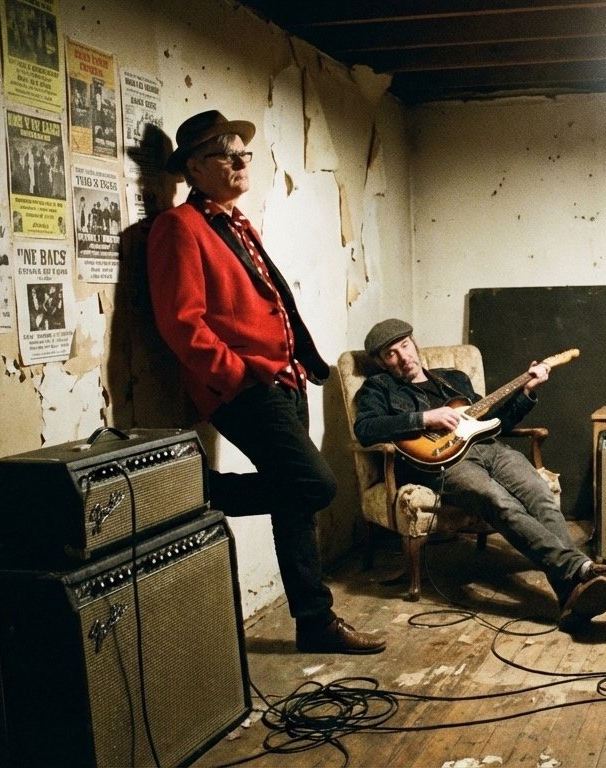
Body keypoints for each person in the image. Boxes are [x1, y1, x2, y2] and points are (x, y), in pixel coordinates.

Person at [147, 110, 384, 654]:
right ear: (194, 168)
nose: (239, 162)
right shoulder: (179, 227)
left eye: (242, 153)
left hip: (286, 378)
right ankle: (195, 492)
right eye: (224, 154)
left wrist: (294, 365)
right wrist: (238, 375)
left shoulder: (237, 224)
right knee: (315, 485)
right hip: (245, 386)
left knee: (293, 503)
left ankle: (314, 622)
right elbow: (182, 324)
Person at [353, 318, 606, 627]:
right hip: (445, 463)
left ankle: (570, 593)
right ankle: (584, 570)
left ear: (414, 343)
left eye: (405, 346)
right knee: (497, 500)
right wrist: (425, 418)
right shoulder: (378, 388)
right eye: (391, 353)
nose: (403, 357)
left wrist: (527, 391)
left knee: (540, 494)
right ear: (381, 361)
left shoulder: (453, 379)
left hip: (490, 449)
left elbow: (499, 422)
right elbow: (365, 429)